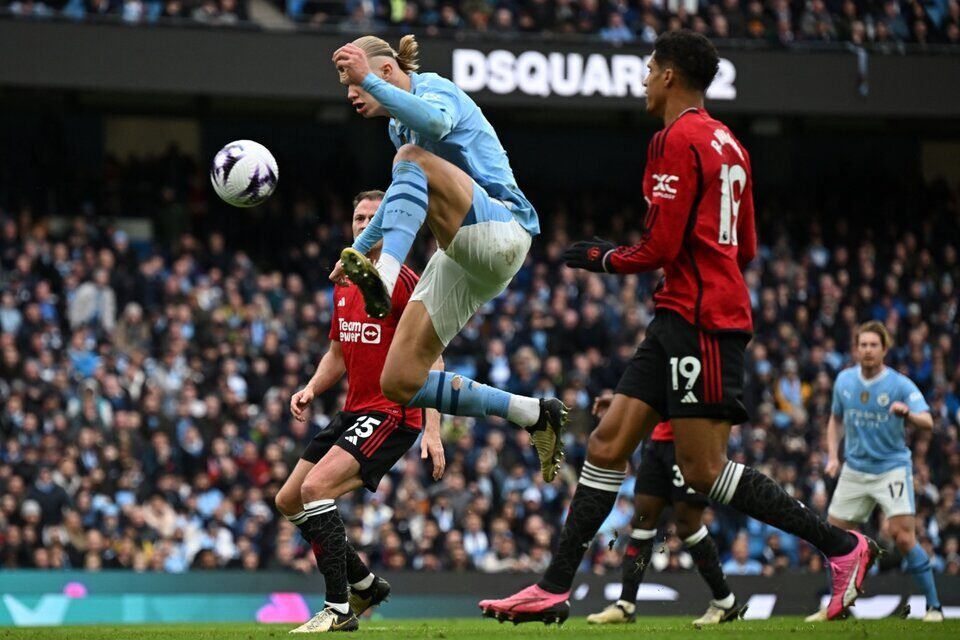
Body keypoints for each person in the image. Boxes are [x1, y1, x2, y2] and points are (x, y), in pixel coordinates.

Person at [479, 30, 877, 625]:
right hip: (681, 314)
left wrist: (604, 259)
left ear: (669, 76)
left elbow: (661, 245)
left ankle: (843, 546)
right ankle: (554, 586)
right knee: (609, 442)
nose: (642, 79)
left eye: (648, 68)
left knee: (703, 472)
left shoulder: (675, 139)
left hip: (703, 321)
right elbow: (745, 246)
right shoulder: (730, 142)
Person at [329, 35, 566, 483]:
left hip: (503, 228)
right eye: (347, 84)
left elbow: (436, 126)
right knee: (398, 380)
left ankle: (387, 272)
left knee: (411, 156)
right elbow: (401, 194)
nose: (350, 93)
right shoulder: (398, 128)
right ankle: (534, 413)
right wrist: (357, 250)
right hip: (464, 257)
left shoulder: (434, 89)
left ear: (383, 72)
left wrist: (369, 82)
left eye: (355, 81)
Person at [276, 190, 445, 634]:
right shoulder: (344, 281)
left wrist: (433, 428)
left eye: (374, 216)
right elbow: (337, 350)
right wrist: (311, 387)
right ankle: (365, 584)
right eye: (358, 217)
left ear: (391, 225)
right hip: (354, 410)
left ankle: (338, 608)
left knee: (315, 488)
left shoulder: (405, 282)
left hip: (394, 413)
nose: (364, 222)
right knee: (289, 499)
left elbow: (434, 356)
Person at [805, 321, 942, 622]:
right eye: (862, 345)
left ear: (884, 349)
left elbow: (928, 421)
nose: (867, 350)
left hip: (891, 468)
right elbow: (835, 420)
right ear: (856, 349)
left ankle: (934, 608)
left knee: (903, 536)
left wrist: (908, 414)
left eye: (873, 345)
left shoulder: (899, 384)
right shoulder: (844, 381)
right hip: (854, 469)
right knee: (832, 537)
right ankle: (837, 609)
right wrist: (832, 455)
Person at [585, 393, 744, 626]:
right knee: (641, 520)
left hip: (688, 440)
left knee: (688, 526)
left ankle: (725, 602)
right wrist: (623, 401)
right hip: (657, 442)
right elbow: (654, 383)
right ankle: (625, 605)